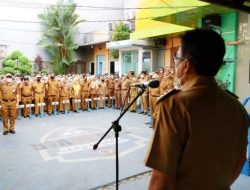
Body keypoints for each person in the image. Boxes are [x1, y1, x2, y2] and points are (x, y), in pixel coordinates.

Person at [145, 29, 249, 190]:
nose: (175, 63)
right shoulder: (237, 107)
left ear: (185, 65)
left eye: (176, 58)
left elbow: (161, 180)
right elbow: (240, 160)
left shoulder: (174, 105)